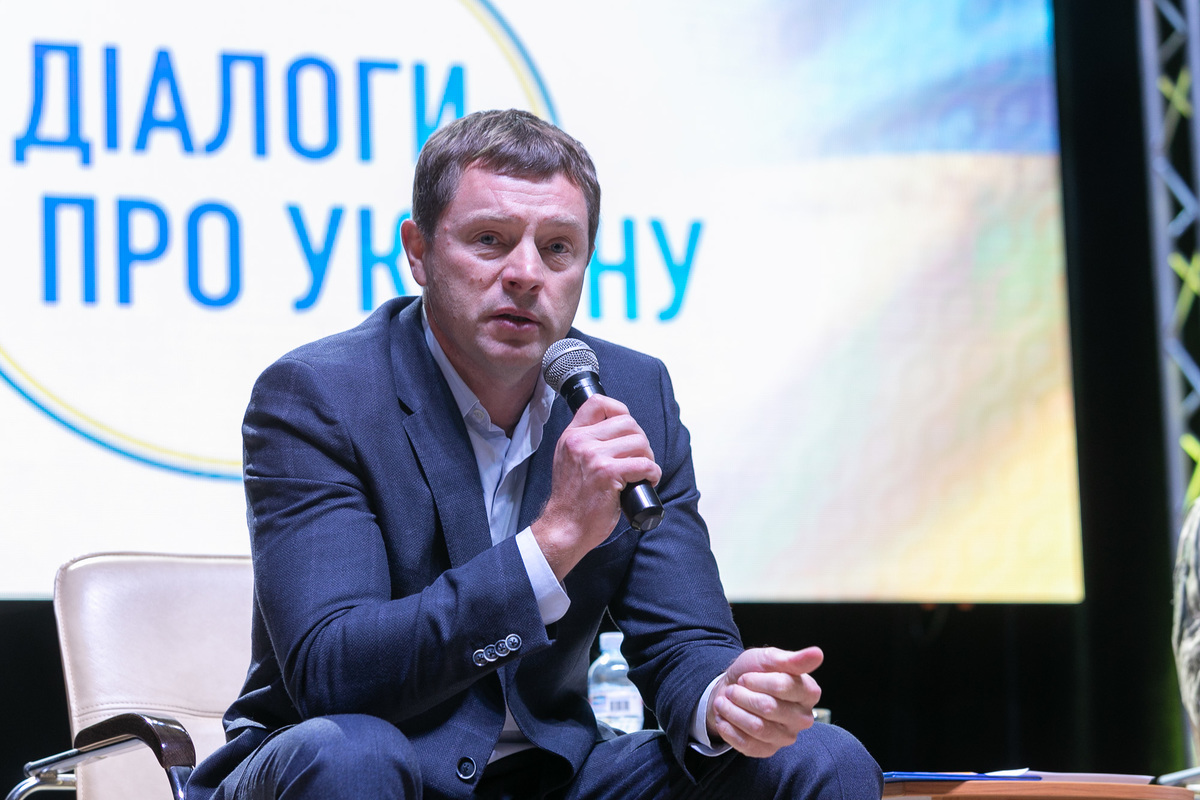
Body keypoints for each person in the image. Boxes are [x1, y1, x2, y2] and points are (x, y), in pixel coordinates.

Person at [187, 109, 882, 799]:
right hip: (350, 763)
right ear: (418, 251)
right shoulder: (321, 395)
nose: (525, 274)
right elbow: (333, 674)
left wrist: (724, 700)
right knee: (355, 756)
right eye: (490, 240)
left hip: (550, 777)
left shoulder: (630, 394)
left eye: (557, 249)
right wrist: (554, 541)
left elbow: (683, 642)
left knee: (820, 758)